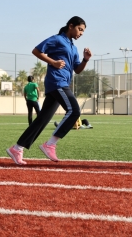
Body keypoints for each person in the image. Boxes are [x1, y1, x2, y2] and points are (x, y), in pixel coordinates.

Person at [6, 16, 92, 165]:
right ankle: (50, 144)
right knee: (74, 111)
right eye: (80, 29)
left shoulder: (73, 47)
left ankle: (17, 148)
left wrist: (85, 60)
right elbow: (36, 50)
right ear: (71, 26)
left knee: (42, 119)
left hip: (63, 83)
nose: (81, 33)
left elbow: (77, 70)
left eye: (83, 31)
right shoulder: (57, 39)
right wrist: (53, 62)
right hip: (56, 82)